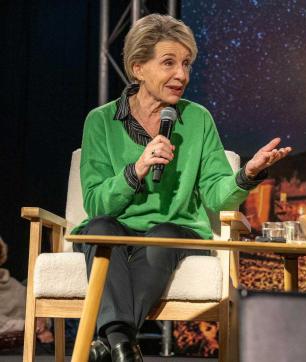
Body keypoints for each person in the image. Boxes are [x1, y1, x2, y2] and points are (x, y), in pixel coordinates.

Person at [72, 13, 292, 362]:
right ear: (138, 68)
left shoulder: (198, 118)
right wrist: (138, 168)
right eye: (169, 63)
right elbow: (97, 204)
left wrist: (247, 174)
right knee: (99, 229)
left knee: (163, 234)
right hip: (117, 231)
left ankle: (115, 342)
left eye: (187, 64)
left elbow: (216, 194)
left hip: (175, 233)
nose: (182, 75)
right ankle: (122, 345)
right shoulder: (100, 121)